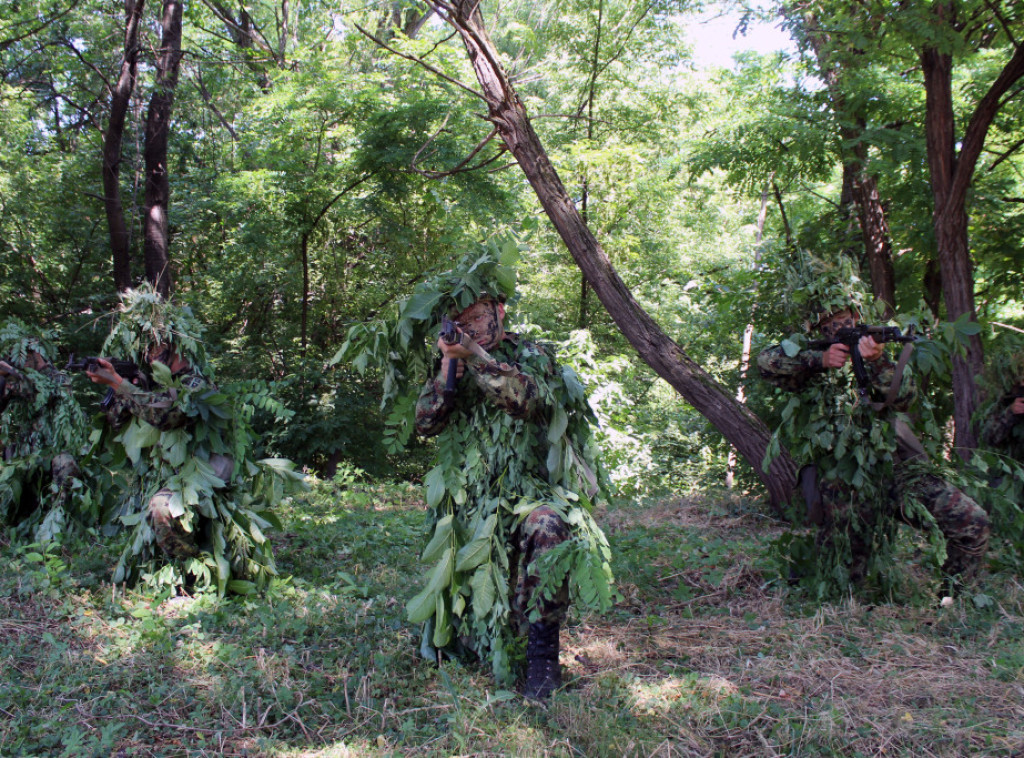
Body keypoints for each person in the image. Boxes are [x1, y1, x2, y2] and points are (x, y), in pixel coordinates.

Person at [343, 247, 614, 700]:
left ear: (499, 312)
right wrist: (449, 367)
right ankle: (475, 633)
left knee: (549, 526)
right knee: (469, 617)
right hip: (474, 498)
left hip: (527, 492)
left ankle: (543, 656)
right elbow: (426, 424)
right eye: (459, 322)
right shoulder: (450, 359)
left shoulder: (531, 354)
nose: (468, 328)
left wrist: (476, 358)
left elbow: (525, 401)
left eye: (475, 318)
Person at [759, 305, 991, 593]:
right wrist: (820, 360)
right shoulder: (810, 362)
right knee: (841, 583)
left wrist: (878, 362)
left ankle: (956, 600)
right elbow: (766, 362)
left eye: (846, 318)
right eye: (831, 323)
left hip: (895, 469)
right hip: (841, 483)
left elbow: (905, 399)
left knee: (972, 521)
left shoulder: (876, 354)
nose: (842, 326)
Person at [86, 286, 301, 594]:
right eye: (147, 349)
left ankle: (195, 570)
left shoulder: (197, 383)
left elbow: (168, 415)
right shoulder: (155, 383)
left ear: (176, 347)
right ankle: (175, 567)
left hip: (209, 468)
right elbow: (118, 421)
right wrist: (122, 385)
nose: (150, 355)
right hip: (177, 471)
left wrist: (121, 385)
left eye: (156, 347)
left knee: (161, 507)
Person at [0, 321, 87, 541]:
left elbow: (42, 394)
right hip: (19, 455)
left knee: (65, 466)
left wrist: (11, 373)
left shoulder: (58, 378)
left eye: (23, 355)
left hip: (50, 452)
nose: (20, 360)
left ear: (36, 353)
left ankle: (57, 526)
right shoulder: (12, 381)